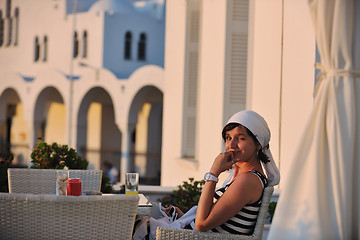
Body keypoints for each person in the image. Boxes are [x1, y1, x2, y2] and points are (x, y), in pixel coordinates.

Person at [164, 110, 280, 235]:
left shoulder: (248, 180)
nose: (231, 144)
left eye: (240, 138)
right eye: (228, 138)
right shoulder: (240, 177)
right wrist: (182, 216)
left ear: (258, 144)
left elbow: (202, 224)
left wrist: (213, 173)